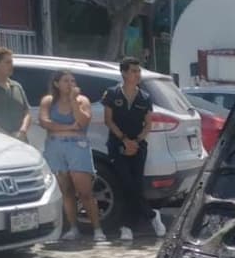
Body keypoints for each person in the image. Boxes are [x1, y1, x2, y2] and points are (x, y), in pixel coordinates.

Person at [101, 57, 166, 242]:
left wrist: (135, 141)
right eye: (133, 71)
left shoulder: (144, 97)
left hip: (138, 146)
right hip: (117, 145)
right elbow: (108, 120)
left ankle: (128, 226)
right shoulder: (112, 94)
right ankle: (151, 215)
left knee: (136, 185)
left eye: (139, 71)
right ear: (124, 73)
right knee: (125, 185)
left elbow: (148, 124)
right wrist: (124, 140)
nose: (137, 75)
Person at [40, 71, 104, 243]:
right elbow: (44, 122)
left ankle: (97, 229)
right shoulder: (49, 101)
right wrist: (68, 128)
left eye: (73, 81)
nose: (70, 84)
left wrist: (74, 103)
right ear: (56, 84)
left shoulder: (82, 100)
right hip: (55, 147)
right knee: (65, 190)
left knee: (84, 191)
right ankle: (73, 228)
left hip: (77, 147)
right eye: (66, 81)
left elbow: (83, 122)